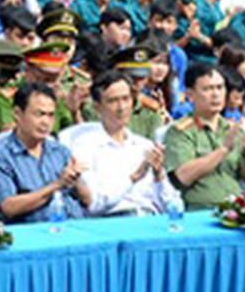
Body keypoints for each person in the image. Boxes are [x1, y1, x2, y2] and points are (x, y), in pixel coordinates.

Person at [63, 71, 178, 216]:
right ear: (97, 107)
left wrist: (159, 176)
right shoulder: (84, 146)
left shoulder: (144, 146)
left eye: (126, 99)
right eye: (112, 101)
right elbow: (94, 204)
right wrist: (134, 177)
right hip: (112, 219)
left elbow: (171, 204)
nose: (121, 107)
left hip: (149, 217)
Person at [0, 82, 93, 222]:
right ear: (18, 114)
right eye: (39, 114)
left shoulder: (60, 151)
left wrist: (75, 180)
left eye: (51, 115)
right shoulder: (0, 156)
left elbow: (88, 200)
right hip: (34, 231)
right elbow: (9, 207)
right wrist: (57, 185)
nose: (46, 122)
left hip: (74, 224)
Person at [164, 63, 245, 209]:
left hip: (235, 208)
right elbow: (183, 177)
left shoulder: (233, 129)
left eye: (220, 88)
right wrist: (223, 150)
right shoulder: (180, 131)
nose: (216, 94)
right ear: (190, 95)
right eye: (207, 89)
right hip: (200, 211)